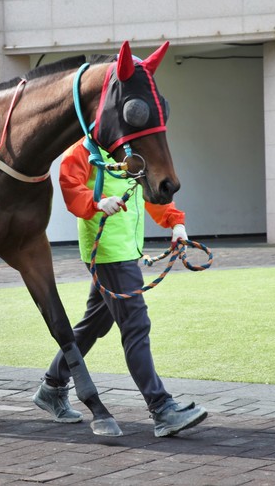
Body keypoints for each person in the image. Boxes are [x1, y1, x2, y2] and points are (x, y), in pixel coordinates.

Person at [32, 139, 207, 438]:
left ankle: (52, 386)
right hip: (107, 253)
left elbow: (149, 189)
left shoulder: (128, 150)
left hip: (125, 251)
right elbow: (71, 188)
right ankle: (162, 408)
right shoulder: (82, 150)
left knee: (93, 325)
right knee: (136, 325)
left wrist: (175, 223)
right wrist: (97, 203)